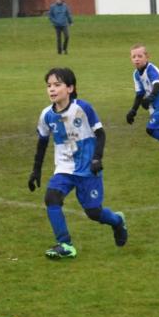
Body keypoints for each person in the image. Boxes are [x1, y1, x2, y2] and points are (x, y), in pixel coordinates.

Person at [28, 67, 127, 259]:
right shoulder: (46, 115)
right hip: (64, 168)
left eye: (57, 85)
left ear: (70, 88)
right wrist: (36, 170)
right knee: (51, 198)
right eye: (49, 86)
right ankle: (65, 244)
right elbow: (42, 143)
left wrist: (97, 158)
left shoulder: (83, 108)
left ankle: (117, 221)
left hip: (88, 169)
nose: (52, 89)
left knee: (93, 212)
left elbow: (100, 134)